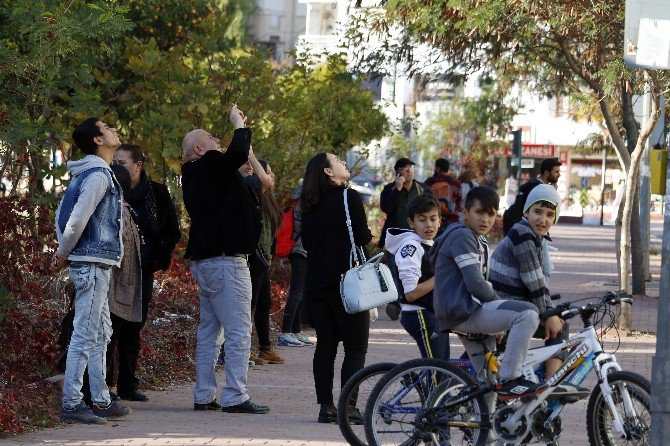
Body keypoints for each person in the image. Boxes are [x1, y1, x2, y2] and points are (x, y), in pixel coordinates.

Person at [181, 104, 269, 415]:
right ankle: (235, 395)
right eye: (211, 137)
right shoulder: (210, 162)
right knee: (238, 329)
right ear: (199, 148)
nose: (217, 139)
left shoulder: (194, 174)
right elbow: (236, 154)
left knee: (209, 330)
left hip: (206, 261)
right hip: (226, 261)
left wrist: (239, 173)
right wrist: (238, 124)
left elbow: (232, 182)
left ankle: (204, 394)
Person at [430, 186, 543, 400]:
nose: (485, 219)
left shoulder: (476, 238)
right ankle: (512, 378)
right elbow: (476, 284)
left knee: (489, 383)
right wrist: (500, 306)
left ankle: (485, 433)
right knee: (528, 314)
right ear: (465, 213)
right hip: (465, 312)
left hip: (461, 313)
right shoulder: (463, 237)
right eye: (479, 212)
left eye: (491, 214)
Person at [53, 117, 131, 424]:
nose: (114, 129)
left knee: (100, 331)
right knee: (86, 332)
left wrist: (64, 249)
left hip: (96, 262)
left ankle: (100, 399)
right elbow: (75, 218)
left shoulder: (91, 173)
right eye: (107, 127)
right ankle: (72, 402)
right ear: (98, 140)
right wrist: (63, 253)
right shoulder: (98, 175)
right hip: (92, 262)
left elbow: (62, 214)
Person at [489, 185, 590, 399]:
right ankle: (551, 384)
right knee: (559, 327)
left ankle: (544, 378)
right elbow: (534, 281)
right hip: (505, 306)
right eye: (537, 212)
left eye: (549, 215)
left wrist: (550, 311)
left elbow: (537, 283)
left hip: (513, 303)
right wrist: (550, 315)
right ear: (526, 212)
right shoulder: (523, 234)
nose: (542, 219)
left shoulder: (533, 236)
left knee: (558, 318)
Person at [301, 152, 372, 423]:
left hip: (317, 282)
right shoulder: (349, 197)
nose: (344, 163)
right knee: (356, 347)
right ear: (328, 172)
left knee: (326, 347)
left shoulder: (308, 204)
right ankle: (349, 407)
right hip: (348, 281)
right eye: (339, 161)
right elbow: (363, 236)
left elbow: (307, 243)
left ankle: (326, 406)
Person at [111, 144, 181, 401]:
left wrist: (157, 257)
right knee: (112, 326)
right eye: (115, 161)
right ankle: (106, 386)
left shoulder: (157, 192)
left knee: (134, 326)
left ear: (138, 165)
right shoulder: (112, 189)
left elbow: (171, 230)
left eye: (122, 162)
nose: (116, 167)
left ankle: (128, 383)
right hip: (116, 268)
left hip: (144, 267)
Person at [384, 194, 449, 360]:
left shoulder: (429, 244)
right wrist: (442, 275)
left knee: (444, 369)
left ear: (440, 221)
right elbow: (411, 293)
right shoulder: (411, 247)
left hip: (433, 313)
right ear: (411, 223)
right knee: (438, 371)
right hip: (420, 314)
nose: (429, 225)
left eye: (433, 219)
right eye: (422, 220)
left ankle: (415, 379)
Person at [239, 156, 285, 365]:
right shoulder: (251, 195)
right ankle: (243, 350)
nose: (272, 176)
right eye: (268, 172)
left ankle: (265, 348)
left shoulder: (268, 201)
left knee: (264, 303)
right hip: (251, 258)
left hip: (263, 259)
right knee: (250, 304)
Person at [278, 184, 314, 347]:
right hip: (299, 252)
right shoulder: (303, 209)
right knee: (297, 293)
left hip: (304, 252)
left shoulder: (303, 207)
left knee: (301, 293)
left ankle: (296, 330)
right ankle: (285, 332)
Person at [378, 157, 430, 248]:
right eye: (405, 169)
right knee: (394, 262)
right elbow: (386, 208)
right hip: (396, 238)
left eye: (411, 168)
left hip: (418, 237)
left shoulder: (423, 188)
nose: (409, 171)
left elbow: (432, 209)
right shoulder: (389, 189)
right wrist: (397, 189)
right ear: (398, 173)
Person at [502, 158, 562, 235]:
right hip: (518, 227)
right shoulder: (536, 188)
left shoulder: (537, 185)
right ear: (547, 173)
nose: (559, 175)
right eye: (556, 172)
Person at [425, 158, 462, 229]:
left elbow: (423, 199)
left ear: (438, 168)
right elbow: (458, 202)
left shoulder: (429, 182)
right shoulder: (456, 183)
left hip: (433, 220)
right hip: (452, 220)